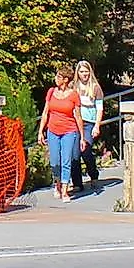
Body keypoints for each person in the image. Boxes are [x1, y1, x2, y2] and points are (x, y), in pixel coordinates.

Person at [40, 64, 83, 202]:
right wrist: (41, 131)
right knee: (54, 161)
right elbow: (45, 112)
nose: (55, 78)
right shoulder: (51, 92)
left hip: (69, 131)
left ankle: (65, 190)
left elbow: (78, 116)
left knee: (66, 160)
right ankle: (57, 184)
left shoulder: (74, 95)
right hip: (53, 130)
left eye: (58, 76)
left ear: (65, 79)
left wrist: (82, 137)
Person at [71, 60, 106, 193]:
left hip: (89, 123)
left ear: (90, 72)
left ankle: (93, 175)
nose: (84, 74)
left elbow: (100, 108)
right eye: (81, 71)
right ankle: (77, 183)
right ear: (78, 73)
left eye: (86, 71)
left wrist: (97, 125)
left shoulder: (95, 88)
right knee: (74, 153)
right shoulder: (74, 86)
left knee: (85, 149)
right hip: (75, 122)